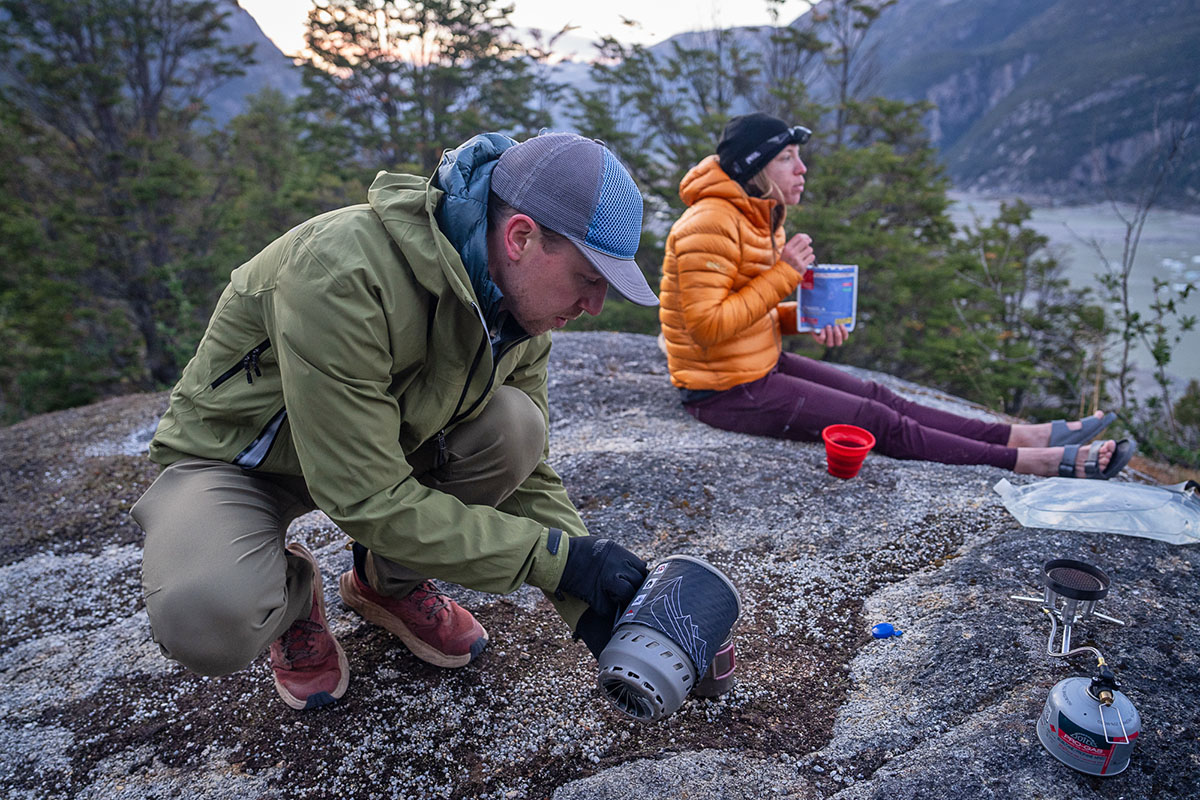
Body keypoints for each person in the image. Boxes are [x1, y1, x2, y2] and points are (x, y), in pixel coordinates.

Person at [131, 131, 655, 711]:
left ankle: (386, 585)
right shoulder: (341, 271)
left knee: (517, 427)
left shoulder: (519, 312)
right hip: (242, 461)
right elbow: (365, 495)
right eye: (589, 278)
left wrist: (598, 604)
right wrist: (553, 562)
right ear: (520, 237)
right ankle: (292, 595)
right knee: (206, 617)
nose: (594, 306)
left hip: (378, 447)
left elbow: (528, 476)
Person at [658, 112, 1134, 480]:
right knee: (874, 419)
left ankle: (1022, 435)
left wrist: (805, 318)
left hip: (754, 367)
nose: (802, 169)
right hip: (722, 391)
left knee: (878, 395)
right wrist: (786, 273)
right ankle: (1035, 462)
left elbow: (746, 311)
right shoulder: (710, 223)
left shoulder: (757, 214)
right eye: (787, 158)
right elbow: (706, 326)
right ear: (755, 167)